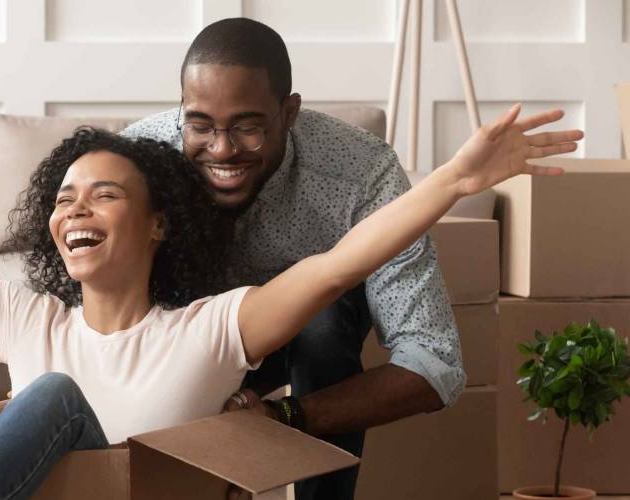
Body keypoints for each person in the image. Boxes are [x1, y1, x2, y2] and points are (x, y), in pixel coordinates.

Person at [0, 69, 580, 500]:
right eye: (64, 197)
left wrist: (453, 182)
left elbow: (339, 263)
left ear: (157, 225)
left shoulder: (208, 331)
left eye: (103, 194)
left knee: (55, 395)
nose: (76, 209)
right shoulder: (24, 316)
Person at [119, 18, 493, 498]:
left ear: (289, 111)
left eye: (248, 127)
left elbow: (435, 364)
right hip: (178, 334)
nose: (222, 149)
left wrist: (286, 416)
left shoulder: (362, 172)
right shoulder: (139, 160)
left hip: (309, 348)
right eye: (200, 125)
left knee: (324, 316)